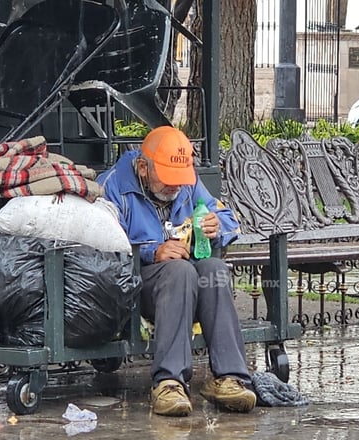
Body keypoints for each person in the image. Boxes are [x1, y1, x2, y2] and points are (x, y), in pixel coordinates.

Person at [98, 126, 256, 417]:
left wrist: (217, 226)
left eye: (180, 179)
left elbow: (225, 216)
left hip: (187, 283)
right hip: (135, 284)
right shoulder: (112, 186)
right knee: (179, 271)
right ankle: (168, 382)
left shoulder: (186, 182)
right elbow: (102, 246)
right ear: (143, 167)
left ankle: (230, 378)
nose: (175, 187)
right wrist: (152, 251)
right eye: (168, 178)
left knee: (215, 269)